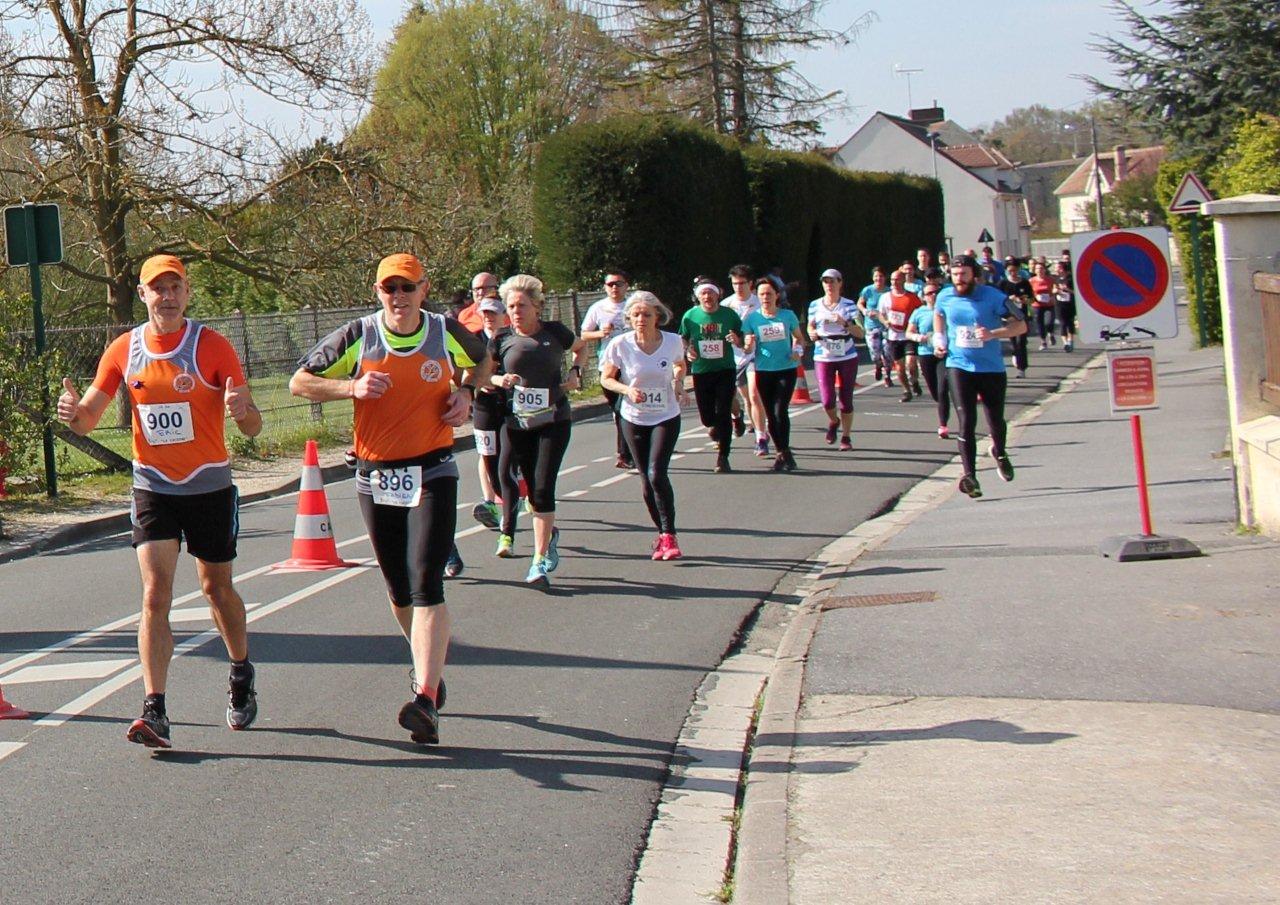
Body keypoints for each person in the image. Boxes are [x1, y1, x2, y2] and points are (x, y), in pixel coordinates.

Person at [57, 254, 263, 749]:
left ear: (186, 293)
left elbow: (252, 424)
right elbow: (88, 417)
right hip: (153, 487)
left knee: (217, 590)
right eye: (157, 289)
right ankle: (155, 708)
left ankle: (240, 669)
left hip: (209, 486)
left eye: (175, 288)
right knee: (155, 594)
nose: (167, 297)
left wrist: (244, 411)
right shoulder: (124, 350)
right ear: (144, 295)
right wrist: (72, 413)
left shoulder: (212, 347)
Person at [290, 253, 488, 745]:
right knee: (398, 588)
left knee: (426, 581)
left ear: (424, 288)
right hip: (376, 474)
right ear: (378, 293)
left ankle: (424, 696)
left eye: (406, 288)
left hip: (433, 468)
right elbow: (300, 381)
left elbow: (484, 360)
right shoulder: (359, 334)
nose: (397, 297)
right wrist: (350, 386)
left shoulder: (443, 331)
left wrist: (468, 395)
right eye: (388, 289)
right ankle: (427, 668)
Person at [488, 274, 587, 588]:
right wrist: (498, 381)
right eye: (511, 306)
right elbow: (482, 375)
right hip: (516, 423)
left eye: (522, 305)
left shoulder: (555, 333)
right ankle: (549, 532)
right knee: (523, 484)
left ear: (537, 307)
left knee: (543, 489)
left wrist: (574, 372)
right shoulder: (501, 340)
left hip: (553, 421)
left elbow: (581, 349)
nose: (516, 311)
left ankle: (538, 562)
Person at [599, 291, 688, 560]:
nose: (641, 319)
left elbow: (680, 365)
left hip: (666, 415)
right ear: (629, 318)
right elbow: (606, 379)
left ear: (657, 317)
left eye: (646, 314)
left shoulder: (672, 341)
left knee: (656, 472)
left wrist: (679, 383)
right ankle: (661, 534)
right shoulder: (620, 344)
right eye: (635, 315)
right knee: (646, 480)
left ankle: (670, 535)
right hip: (634, 417)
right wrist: (627, 390)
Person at [933, 254, 1027, 499]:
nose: (959, 280)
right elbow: (938, 314)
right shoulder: (945, 295)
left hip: (991, 368)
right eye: (955, 275)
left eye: (964, 274)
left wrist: (993, 333)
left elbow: (1021, 324)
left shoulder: (994, 297)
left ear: (974, 275)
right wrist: (939, 339)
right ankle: (970, 476)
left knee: (995, 420)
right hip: (958, 365)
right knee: (966, 420)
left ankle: (1001, 453)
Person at [678, 277, 743, 473]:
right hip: (701, 370)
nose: (707, 296)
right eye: (703, 293)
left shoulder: (729, 315)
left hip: (725, 369)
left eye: (711, 293)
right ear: (698, 297)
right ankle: (716, 426)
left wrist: (736, 339)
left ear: (718, 294)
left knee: (723, 410)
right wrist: (688, 351)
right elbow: (683, 338)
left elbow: (741, 339)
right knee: (707, 418)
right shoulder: (690, 316)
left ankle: (723, 456)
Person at [744, 277, 805, 471]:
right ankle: (782, 453)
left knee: (780, 411)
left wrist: (798, 350)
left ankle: (784, 451)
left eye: (769, 294)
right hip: (763, 371)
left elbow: (800, 339)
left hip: (786, 369)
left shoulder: (787, 316)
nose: (765, 298)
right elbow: (747, 346)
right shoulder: (752, 319)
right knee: (770, 414)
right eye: (761, 294)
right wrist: (749, 344)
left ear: (777, 295)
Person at [580, 269, 634, 469]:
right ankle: (631, 449)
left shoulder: (633, 305)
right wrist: (600, 333)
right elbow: (584, 334)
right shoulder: (598, 308)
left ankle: (625, 454)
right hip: (609, 365)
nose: (614, 287)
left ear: (626, 286)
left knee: (623, 410)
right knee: (618, 409)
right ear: (605, 287)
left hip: (632, 365)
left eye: (618, 283)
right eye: (610, 284)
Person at [465, 295, 510, 531]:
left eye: (493, 313)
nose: (488, 318)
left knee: (512, 452)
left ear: (505, 316)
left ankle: (525, 495)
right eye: (485, 313)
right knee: (486, 451)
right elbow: (465, 371)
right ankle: (489, 502)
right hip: (484, 403)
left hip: (509, 403)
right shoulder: (473, 340)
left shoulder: (513, 338)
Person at [807, 268, 864, 451]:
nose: (829, 285)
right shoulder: (815, 305)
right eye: (825, 281)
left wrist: (845, 323)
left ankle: (846, 437)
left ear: (840, 283)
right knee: (827, 400)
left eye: (833, 281)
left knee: (846, 400)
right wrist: (812, 333)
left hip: (847, 353)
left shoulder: (849, 305)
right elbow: (810, 326)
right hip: (824, 354)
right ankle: (834, 421)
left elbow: (861, 333)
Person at [724, 264, 770, 457]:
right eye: (735, 283)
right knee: (745, 398)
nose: (738, 287)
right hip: (734, 358)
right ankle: (755, 426)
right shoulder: (726, 305)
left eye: (742, 283)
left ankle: (761, 437)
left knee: (754, 395)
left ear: (750, 284)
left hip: (756, 355)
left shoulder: (759, 302)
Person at [907, 282, 951, 439]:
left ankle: (943, 424)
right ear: (923, 297)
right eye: (929, 293)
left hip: (944, 353)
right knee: (934, 391)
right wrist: (920, 337)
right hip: (925, 353)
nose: (932, 296)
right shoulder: (918, 312)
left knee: (942, 388)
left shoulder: (946, 310)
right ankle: (943, 405)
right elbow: (909, 332)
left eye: (935, 292)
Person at [877, 268, 924, 401]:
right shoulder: (885, 297)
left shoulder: (912, 297)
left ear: (903, 280)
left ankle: (914, 380)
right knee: (899, 367)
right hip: (893, 336)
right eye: (892, 279)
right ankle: (906, 391)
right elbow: (880, 314)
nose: (894, 282)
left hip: (908, 335)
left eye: (897, 279)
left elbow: (920, 313)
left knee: (911, 363)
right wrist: (885, 322)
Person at [998, 261, 1034, 377]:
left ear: (1018, 270)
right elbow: (998, 299)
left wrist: (1024, 300)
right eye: (1010, 271)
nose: (1013, 273)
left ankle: (1022, 368)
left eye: (1015, 270)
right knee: (1014, 342)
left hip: (1022, 316)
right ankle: (1015, 353)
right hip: (1008, 317)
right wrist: (1009, 298)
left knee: (1021, 342)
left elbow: (1032, 299)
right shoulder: (1003, 283)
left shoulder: (1024, 283)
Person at [857, 267, 892, 385]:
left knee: (887, 352)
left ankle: (888, 376)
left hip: (886, 326)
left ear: (885, 278)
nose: (878, 279)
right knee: (875, 352)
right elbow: (860, 303)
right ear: (873, 278)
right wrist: (865, 311)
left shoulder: (889, 291)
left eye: (881, 276)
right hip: (871, 326)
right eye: (876, 276)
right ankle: (878, 365)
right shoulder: (868, 290)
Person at [1029, 260, 1057, 351]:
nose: (1039, 270)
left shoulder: (1050, 279)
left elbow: (1055, 288)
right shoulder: (1031, 280)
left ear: (1044, 270)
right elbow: (1029, 292)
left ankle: (1051, 333)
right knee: (1039, 323)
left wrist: (1053, 294)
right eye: (1037, 268)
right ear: (1035, 270)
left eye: (1041, 268)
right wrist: (1034, 296)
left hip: (1049, 304)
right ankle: (1043, 342)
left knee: (1048, 322)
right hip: (1037, 304)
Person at [1052, 260, 1077, 352]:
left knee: (1070, 323)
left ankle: (1070, 340)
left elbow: (1076, 292)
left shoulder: (1071, 279)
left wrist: (1067, 289)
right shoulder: (1056, 279)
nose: (1056, 269)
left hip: (1070, 304)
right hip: (1059, 304)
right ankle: (1065, 343)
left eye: (1058, 267)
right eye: (1055, 267)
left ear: (1063, 268)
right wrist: (1055, 291)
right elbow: (1053, 289)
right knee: (1062, 323)